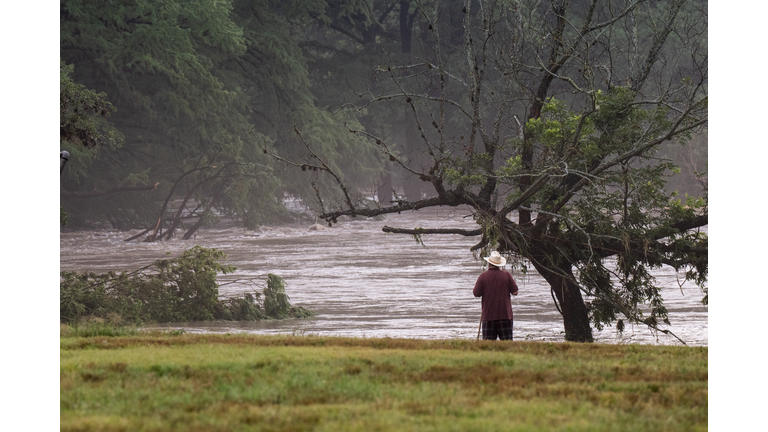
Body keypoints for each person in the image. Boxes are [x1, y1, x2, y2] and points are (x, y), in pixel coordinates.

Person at [473, 251, 519, 340]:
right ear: (499, 264)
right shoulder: (506, 275)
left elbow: (476, 293)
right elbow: (515, 292)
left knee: (488, 348)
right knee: (507, 346)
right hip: (505, 316)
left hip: (488, 316)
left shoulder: (483, 276)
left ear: (489, 263)